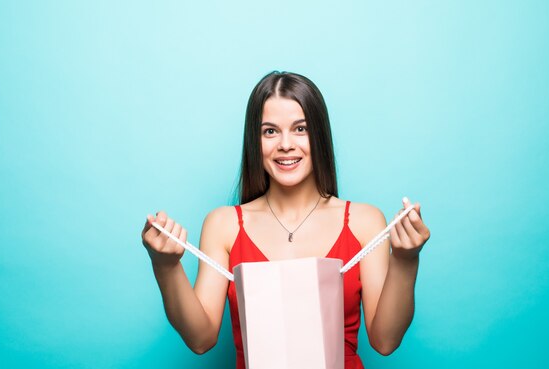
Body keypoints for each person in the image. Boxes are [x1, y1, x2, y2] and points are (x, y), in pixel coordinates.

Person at [141, 71, 431, 369]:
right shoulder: (223, 225)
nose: (285, 144)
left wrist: (406, 260)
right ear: (255, 141)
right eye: (270, 131)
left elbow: (385, 341)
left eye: (300, 128)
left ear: (319, 135)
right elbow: (200, 339)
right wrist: (166, 267)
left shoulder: (364, 222)